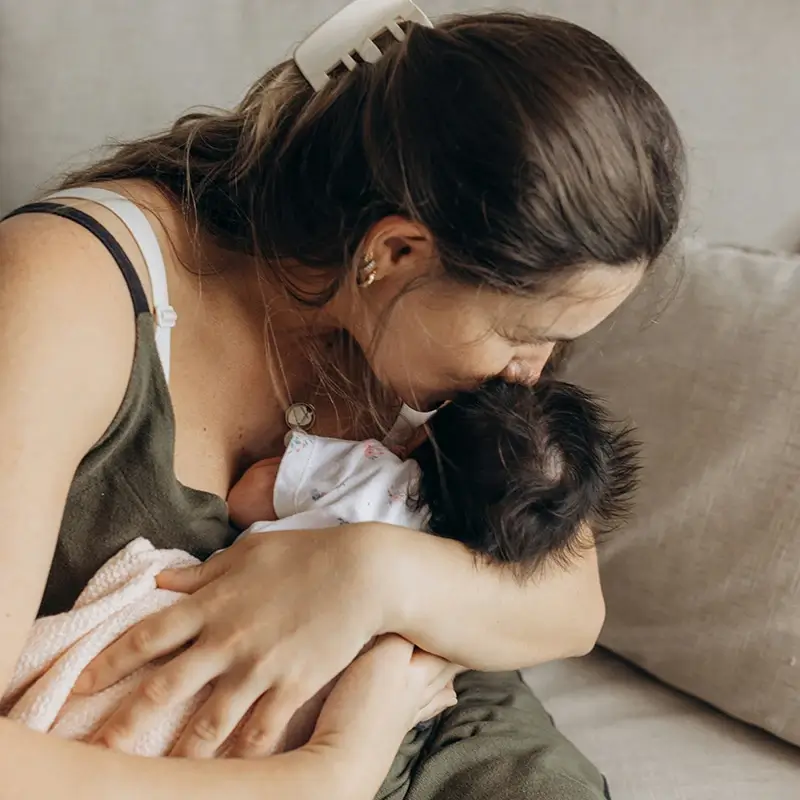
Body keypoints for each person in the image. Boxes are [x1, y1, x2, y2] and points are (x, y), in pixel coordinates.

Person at [0, 3, 684, 799]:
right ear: (395, 252)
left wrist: (368, 574)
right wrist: (326, 778)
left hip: (447, 739)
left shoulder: (440, 351)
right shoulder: (65, 292)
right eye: (523, 335)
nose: (532, 375)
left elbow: (570, 602)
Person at [3, 378, 640, 758]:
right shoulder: (476, 575)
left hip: (229, 623)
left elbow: (250, 494)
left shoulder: (372, 468)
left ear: (426, 433)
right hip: (331, 706)